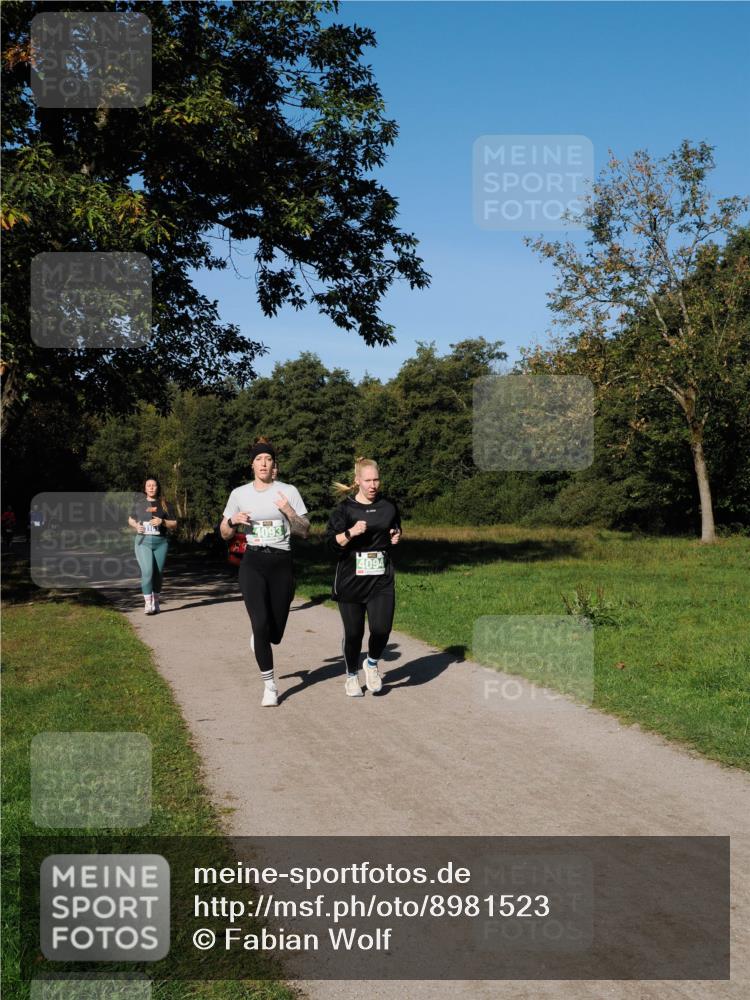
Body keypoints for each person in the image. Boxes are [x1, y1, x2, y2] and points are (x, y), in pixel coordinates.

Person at [220, 438, 309, 707]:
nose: (263, 463)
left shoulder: (288, 491)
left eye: (268, 459)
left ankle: (262, 637)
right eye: (259, 459)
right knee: (259, 624)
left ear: (274, 466)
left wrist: (289, 511)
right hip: (253, 562)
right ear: (252, 465)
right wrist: (231, 522)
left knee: (275, 634)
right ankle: (269, 685)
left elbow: (305, 530)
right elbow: (224, 533)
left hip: (282, 563)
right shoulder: (239, 494)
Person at [325, 458, 401, 697]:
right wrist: (350, 532)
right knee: (354, 634)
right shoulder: (345, 510)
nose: (373, 485)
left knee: (381, 628)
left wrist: (396, 535)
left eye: (376, 479)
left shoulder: (389, 506)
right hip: (350, 580)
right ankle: (351, 675)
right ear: (357, 481)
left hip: (381, 578)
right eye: (367, 480)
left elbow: (395, 527)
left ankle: (371, 663)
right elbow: (330, 544)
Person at [128, 477, 177, 615]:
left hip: (161, 542)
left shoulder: (166, 504)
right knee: (148, 571)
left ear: (157, 488)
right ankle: (148, 603)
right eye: (148, 485)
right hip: (143, 541)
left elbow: (174, 524)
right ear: (145, 488)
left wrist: (162, 522)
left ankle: (156, 601)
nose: (151, 487)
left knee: (158, 573)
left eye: (153, 485)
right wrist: (136, 525)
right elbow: (131, 519)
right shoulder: (139, 504)